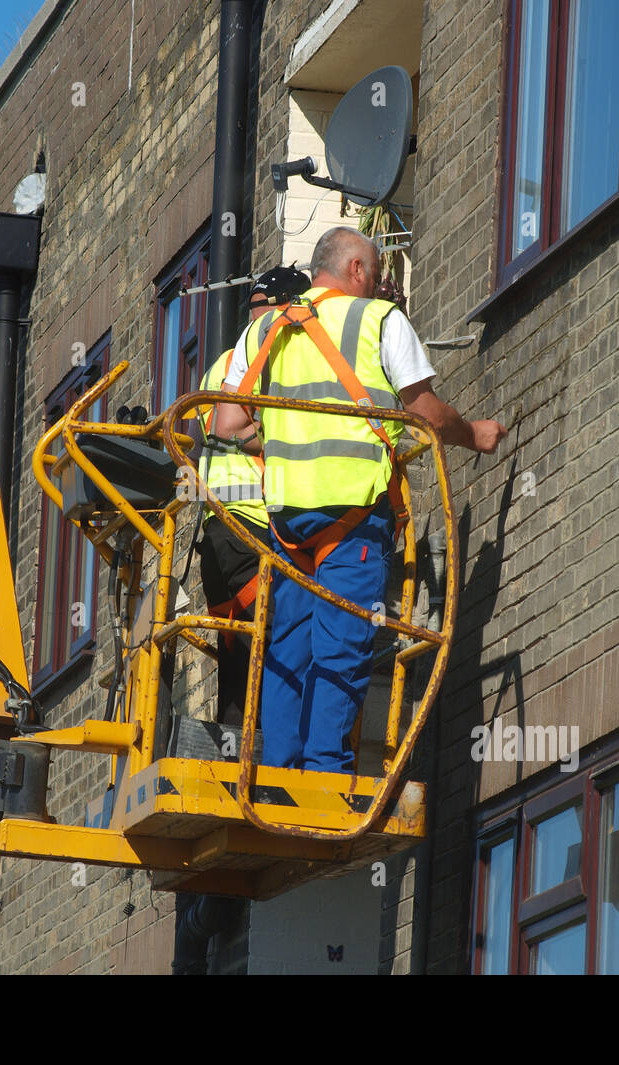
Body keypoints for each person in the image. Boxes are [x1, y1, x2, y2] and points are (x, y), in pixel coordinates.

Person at [214, 226, 506, 772]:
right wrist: (474, 434)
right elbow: (425, 413)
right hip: (352, 518)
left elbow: (227, 422)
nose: (378, 285)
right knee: (344, 643)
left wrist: (283, 438)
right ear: (355, 270)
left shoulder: (263, 332)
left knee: (286, 650)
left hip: (286, 525)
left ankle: (278, 775)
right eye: (375, 273)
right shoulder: (377, 321)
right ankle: (325, 777)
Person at [195, 266, 311, 726]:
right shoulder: (273, 354)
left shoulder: (223, 365)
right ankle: (275, 761)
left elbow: (217, 431)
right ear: (288, 307)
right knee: (283, 643)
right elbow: (249, 434)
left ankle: (234, 759)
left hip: (217, 539)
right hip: (253, 529)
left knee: (239, 661)